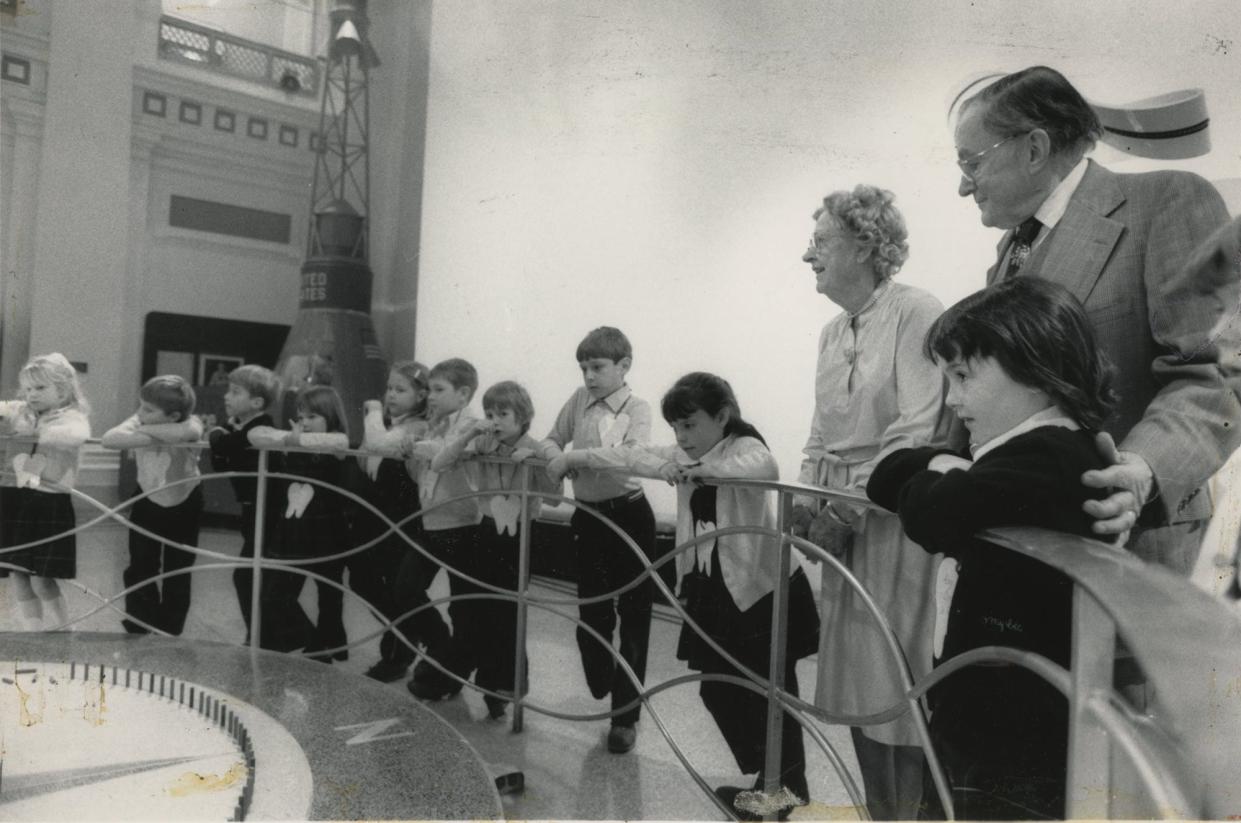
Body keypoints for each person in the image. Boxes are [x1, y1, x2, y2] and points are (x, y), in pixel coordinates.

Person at [953, 65, 1239, 576]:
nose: (962, 186)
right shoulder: (1009, 252)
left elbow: (1216, 375)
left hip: (1128, 536)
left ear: (1035, 149)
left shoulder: (1169, 200)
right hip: (1028, 539)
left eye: (971, 163)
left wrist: (1143, 469)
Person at [867, 276, 1121, 819]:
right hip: (987, 710)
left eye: (962, 376)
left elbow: (931, 514)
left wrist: (936, 468)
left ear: (1037, 371)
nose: (952, 399)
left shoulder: (1048, 456)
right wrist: (941, 466)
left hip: (1011, 730)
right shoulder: (1022, 452)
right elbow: (888, 475)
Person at [792, 185, 951, 819]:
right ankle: (877, 812)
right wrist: (808, 498)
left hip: (892, 516)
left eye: (821, 241)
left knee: (897, 678)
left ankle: (906, 814)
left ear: (865, 244)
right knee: (854, 678)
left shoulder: (917, 312)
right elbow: (819, 427)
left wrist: (846, 509)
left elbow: (917, 429)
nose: (808, 255)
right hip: (837, 515)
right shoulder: (832, 330)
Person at [629, 372, 819, 821]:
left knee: (770, 692)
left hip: (765, 591)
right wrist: (572, 457)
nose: (681, 436)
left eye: (690, 424)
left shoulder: (743, 445)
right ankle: (775, 782)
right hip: (718, 588)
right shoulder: (688, 451)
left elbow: (763, 467)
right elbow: (631, 453)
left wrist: (698, 470)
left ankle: (782, 789)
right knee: (719, 689)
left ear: (722, 417)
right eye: (675, 427)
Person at [541, 326, 658, 754]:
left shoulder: (637, 407)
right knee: (592, 614)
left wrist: (576, 457)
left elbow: (630, 455)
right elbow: (551, 439)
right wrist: (557, 457)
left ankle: (625, 717)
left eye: (597, 367)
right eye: (584, 368)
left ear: (623, 366)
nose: (589, 376)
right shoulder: (578, 402)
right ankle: (605, 679)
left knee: (634, 618)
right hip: (588, 519)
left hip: (629, 517)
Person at [431, 380, 561, 718]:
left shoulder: (534, 447)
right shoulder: (484, 443)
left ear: (523, 416)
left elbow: (555, 498)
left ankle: (506, 686)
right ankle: (482, 681)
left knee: (509, 614)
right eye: (490, 413)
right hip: (486, 532)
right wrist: (469, 434)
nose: (495, 420)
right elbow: (439, 463)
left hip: (520, 537)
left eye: (503, 413)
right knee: (479, 610)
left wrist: (535, 462)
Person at [355, 360, 446, 682]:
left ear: (421, 396)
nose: (391, 394)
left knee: (398, 588)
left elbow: (378, 444)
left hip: (403, 519)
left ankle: (405, 651)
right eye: (389, 388)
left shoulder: (417, 428)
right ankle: (414, 639)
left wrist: (372, 412)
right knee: (363, 581)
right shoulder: (391, 424)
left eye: (400, 389)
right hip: (377, 517)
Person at [248, 385, 351, 659]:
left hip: (326, 529)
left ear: (331, 416)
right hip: (292, 528)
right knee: (275, 591)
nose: (304, 423)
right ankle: (310, 637)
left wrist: (296, 443)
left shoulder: (337, 442)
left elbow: (339, 446)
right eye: (301, 417)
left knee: (329, 592)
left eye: (313, 417)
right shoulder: (291, 440)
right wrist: (291, 443)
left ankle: (326, 644)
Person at [403, 358, 485, 701]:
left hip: (462, 525)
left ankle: (450, 672)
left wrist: (418, 446)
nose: (431, 397)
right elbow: (420, 475)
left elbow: (448, 456)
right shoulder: (433, 426)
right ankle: (441, 647)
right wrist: (413, 452)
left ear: (463, 393)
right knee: (405, 588)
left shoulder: (474, 427)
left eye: (439, 390)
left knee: (463, 608)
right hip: (430, 521)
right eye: (430, 390)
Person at [102, 375, 204, 636]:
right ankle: (139, 623)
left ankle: (170, 628)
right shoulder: (141, 420)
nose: (139, 413)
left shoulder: (190, 422)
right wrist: (151, 430)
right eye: (141, 406)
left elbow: (190, 432)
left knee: (178, 567)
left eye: (148, 409)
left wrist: (142, 434)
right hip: (147, 496)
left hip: (186, 500)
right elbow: (110, 439)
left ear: (173, 415)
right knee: (140, 562)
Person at [0, 353, 92, 631]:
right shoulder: (20, 410)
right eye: (28, 389)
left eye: (40, 388)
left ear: (63, 390)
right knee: (17, 572)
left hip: (48, 501)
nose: (32, 395)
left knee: (42, 576)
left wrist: (34, 433)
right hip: (14, 498)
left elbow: (77, 434)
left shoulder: (71, 417)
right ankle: (34, 631)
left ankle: (65, 627)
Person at [206, 363, 281, 641]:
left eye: (235, 392)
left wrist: (217, 434)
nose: (227, 396)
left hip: (268, 510)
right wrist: (223, 435)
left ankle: (264, 637)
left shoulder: (260, 428)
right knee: (253, 576)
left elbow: (222, 448)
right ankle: (263, 635)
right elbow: (220, 463)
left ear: (257, 402)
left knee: (249, 576)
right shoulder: (240, 429)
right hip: (253, 509)